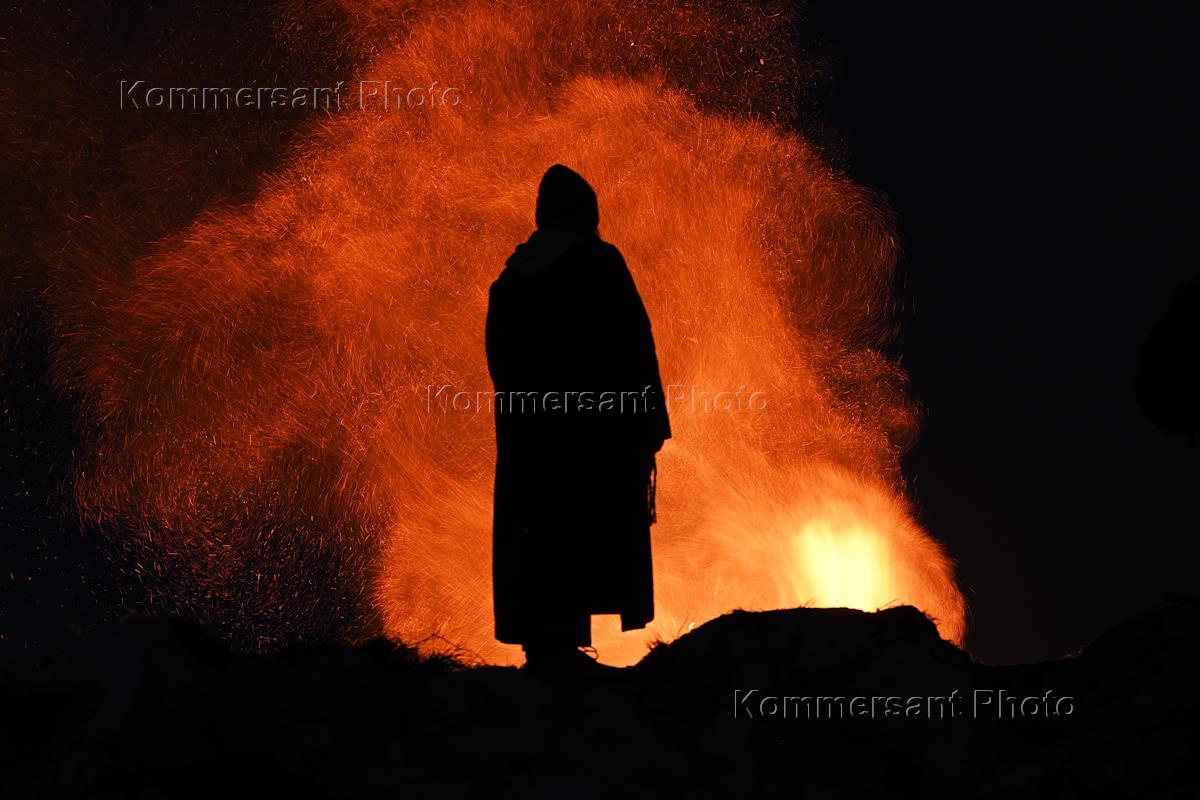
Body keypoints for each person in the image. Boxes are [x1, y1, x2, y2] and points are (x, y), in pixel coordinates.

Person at [485, 164, 671, 673]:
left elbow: (503, 366)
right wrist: (646, 422)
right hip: (593, 436)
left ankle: (548, 646)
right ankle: (563, 656)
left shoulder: (512, 279)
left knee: (540, 532)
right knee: (582, 527)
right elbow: (633, 346)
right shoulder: (599, 264)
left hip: (531, 441)